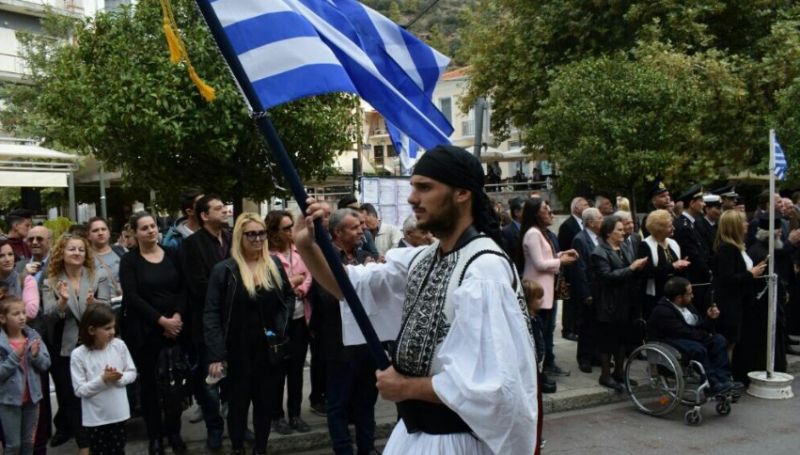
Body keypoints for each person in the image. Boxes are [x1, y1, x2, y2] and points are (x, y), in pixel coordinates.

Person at [297, 145, 538, 454]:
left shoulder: (484, 270)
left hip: (458, 441)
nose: (412, 198)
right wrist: (307, 246)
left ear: (462, 194)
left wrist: (406, 387)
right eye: (413, 187)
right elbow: (350, 289)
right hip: (414, 435)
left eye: (425, 188)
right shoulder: (422, 259)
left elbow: (494, 386)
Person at [204, 213, 293, 455]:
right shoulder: (224, 270)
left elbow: (288, 296)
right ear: (239, 237)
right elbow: (211, 313)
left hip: (267, 349)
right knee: (237, 406)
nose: (257, 238)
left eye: (261, 233)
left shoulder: (273, 265)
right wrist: (216, 354)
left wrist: (280, 328)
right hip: (236, 349)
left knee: (265, 404)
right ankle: (237, 448)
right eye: (251, 234)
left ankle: (261, 448)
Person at [119, 212, 188, 454]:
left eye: (153, 226)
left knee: (175, 387)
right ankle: (155, 436)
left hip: (175, 330)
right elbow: (132, 296)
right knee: (149, 387)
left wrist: (177, 317)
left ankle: (174, 432)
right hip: (146, 332)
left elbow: (183, 288)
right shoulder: (130, 261)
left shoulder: (173, 254)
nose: (150, 231)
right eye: (144, 228)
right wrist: (161, 322)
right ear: (135, 233)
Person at [42, 233, 110, 452]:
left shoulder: (96, 276)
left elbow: (107, 308)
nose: (77, 253)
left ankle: (99, 439)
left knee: (97, 393)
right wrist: (62, 301)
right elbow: (48, 315)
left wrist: (93, 304)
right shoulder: (50, 281)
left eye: (81, 249)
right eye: (72, 249)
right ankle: (84, 444)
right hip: (65, 347)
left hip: (94, 344)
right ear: (62, 252)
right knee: (71, 398)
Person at [180, 194, 231, 449]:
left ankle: (237, 424)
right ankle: (214, 427)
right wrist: (230, 294)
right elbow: (198, 286)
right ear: (204, 215)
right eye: (218, 208)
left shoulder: (233, 238)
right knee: (209, 378)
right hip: (206, 322)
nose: (225, 211)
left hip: (235, 321)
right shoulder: (192, 245)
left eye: (224, 207)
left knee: (236, 378)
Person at [648, 277, 742, 395]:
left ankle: (724, 379)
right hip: (670, 341)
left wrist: (710, 319)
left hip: (688, 336)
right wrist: (705, 335)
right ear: (679, 297)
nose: (692, 296)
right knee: (698, 348)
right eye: (689, 294)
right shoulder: (663, 311)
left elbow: (698, 326)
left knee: (719, 340)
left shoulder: (688, 305)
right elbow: (684, 332)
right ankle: (712, 383)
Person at [519, 197, 578, 379]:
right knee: (540, 334)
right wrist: (561, 261)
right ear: (536, 213)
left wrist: (562, 254)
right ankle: (540, 370)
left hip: (546, 290)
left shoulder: (541, 233)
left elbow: (547, 256)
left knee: (547, 331)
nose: (551, 212)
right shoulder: (533, 234)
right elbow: (539, 263)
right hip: (538, 290)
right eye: (546, 208)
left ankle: (547, 365)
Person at [265, 210, 313, 434]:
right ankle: (276, 415)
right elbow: (269, 285)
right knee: (276, 370)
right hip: (276, 323)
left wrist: (301, 287)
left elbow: (309, 274)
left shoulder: (298, 250)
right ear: (274, 232)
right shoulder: (267, 255)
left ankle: (295, 414)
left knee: (296, 369)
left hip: (299, 317)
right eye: (285, 228)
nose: (290, 231)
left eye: (291, 226)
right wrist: (292, 282)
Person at [590, 216, 647, 391]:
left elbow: (630, 272)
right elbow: (607, 277)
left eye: (623, 229)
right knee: (608, 341)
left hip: (626, 302)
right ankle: (605, 375)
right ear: (608, 232)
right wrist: (631, 268)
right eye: (619, 230)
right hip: (609, 304)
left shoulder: (624, 248)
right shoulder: (599, 253)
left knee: (623, 339)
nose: (624, 232)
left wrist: (638, 269)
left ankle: (620, 373)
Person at [70, 304, 136, 455]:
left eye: (113, 327)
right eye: (107, 328)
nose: (112, 332)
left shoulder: (119, 346)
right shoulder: (78, 354)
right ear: (92, 330)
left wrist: (119, 378)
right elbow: (79, 390)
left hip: (119, 413)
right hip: (95, 419)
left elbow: (131, 372)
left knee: (118, 450)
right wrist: (103, 380)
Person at [0, 297, 51, 455]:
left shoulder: (33, 336)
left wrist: (35, 356)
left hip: (32, 400)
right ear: (2, 318)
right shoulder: (2, 342)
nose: (22, 317)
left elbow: (46, 364)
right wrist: (15, 356)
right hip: (8, 401)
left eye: (23, 312)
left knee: (29, 443)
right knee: (13, 446)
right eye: (16, 313)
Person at [713, 209, 766, 361]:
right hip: (728, 303)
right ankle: (725, 375)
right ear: (735, 226)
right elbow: (728, 279)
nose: (747, 224)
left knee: (734, 342)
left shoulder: (737, 246)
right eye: (743, 221)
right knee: (728, 341)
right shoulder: (727, 249)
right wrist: (751, 274)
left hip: (738, 301)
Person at [637, 209, 690, 320]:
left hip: (675, 294)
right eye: (670, 226)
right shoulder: (645, 245)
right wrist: (673, 266)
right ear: (659, 230)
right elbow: (647, 272)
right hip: (656, 295)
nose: (674, 228)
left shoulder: (673, 243)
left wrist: (682, 266)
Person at [571, 208, 603, 372]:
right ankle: (584, 358)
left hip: (600, 289)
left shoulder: (600, 238)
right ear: (590, 222)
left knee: (597, 324)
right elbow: (580, 268)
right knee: (586, 325)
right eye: (599, 218)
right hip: (588, 289)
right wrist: (586, 293)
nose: (602, 220)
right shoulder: (580, 239)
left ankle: (596, 355)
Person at [673, 186, 713, 313]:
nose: (704, 204)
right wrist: (708, 272)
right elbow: (693, 255)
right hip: (695, 278)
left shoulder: (692, 223)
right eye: (700, 200)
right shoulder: (684, 225)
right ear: (691, 203)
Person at [87, 217, 125, 301]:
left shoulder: (121, 251)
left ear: (109, 232)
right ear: (88, 236)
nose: (100, 233)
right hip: (101, 307)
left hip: (125, 303)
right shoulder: (85, 258)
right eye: (95, 230)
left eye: (103, 229)